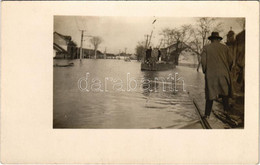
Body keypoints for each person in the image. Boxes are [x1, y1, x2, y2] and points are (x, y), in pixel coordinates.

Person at [201, 32, 233, 119]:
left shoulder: (206, 48)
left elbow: (203, 62)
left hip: (211, 75)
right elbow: (231, 61)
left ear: (211, 39)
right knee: (224, 94)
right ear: (219, 39)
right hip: (224, 74)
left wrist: (205, 71)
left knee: (210, 94)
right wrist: (227, 70)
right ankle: (226, 112)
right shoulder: (226, 48)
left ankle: (207, 115)